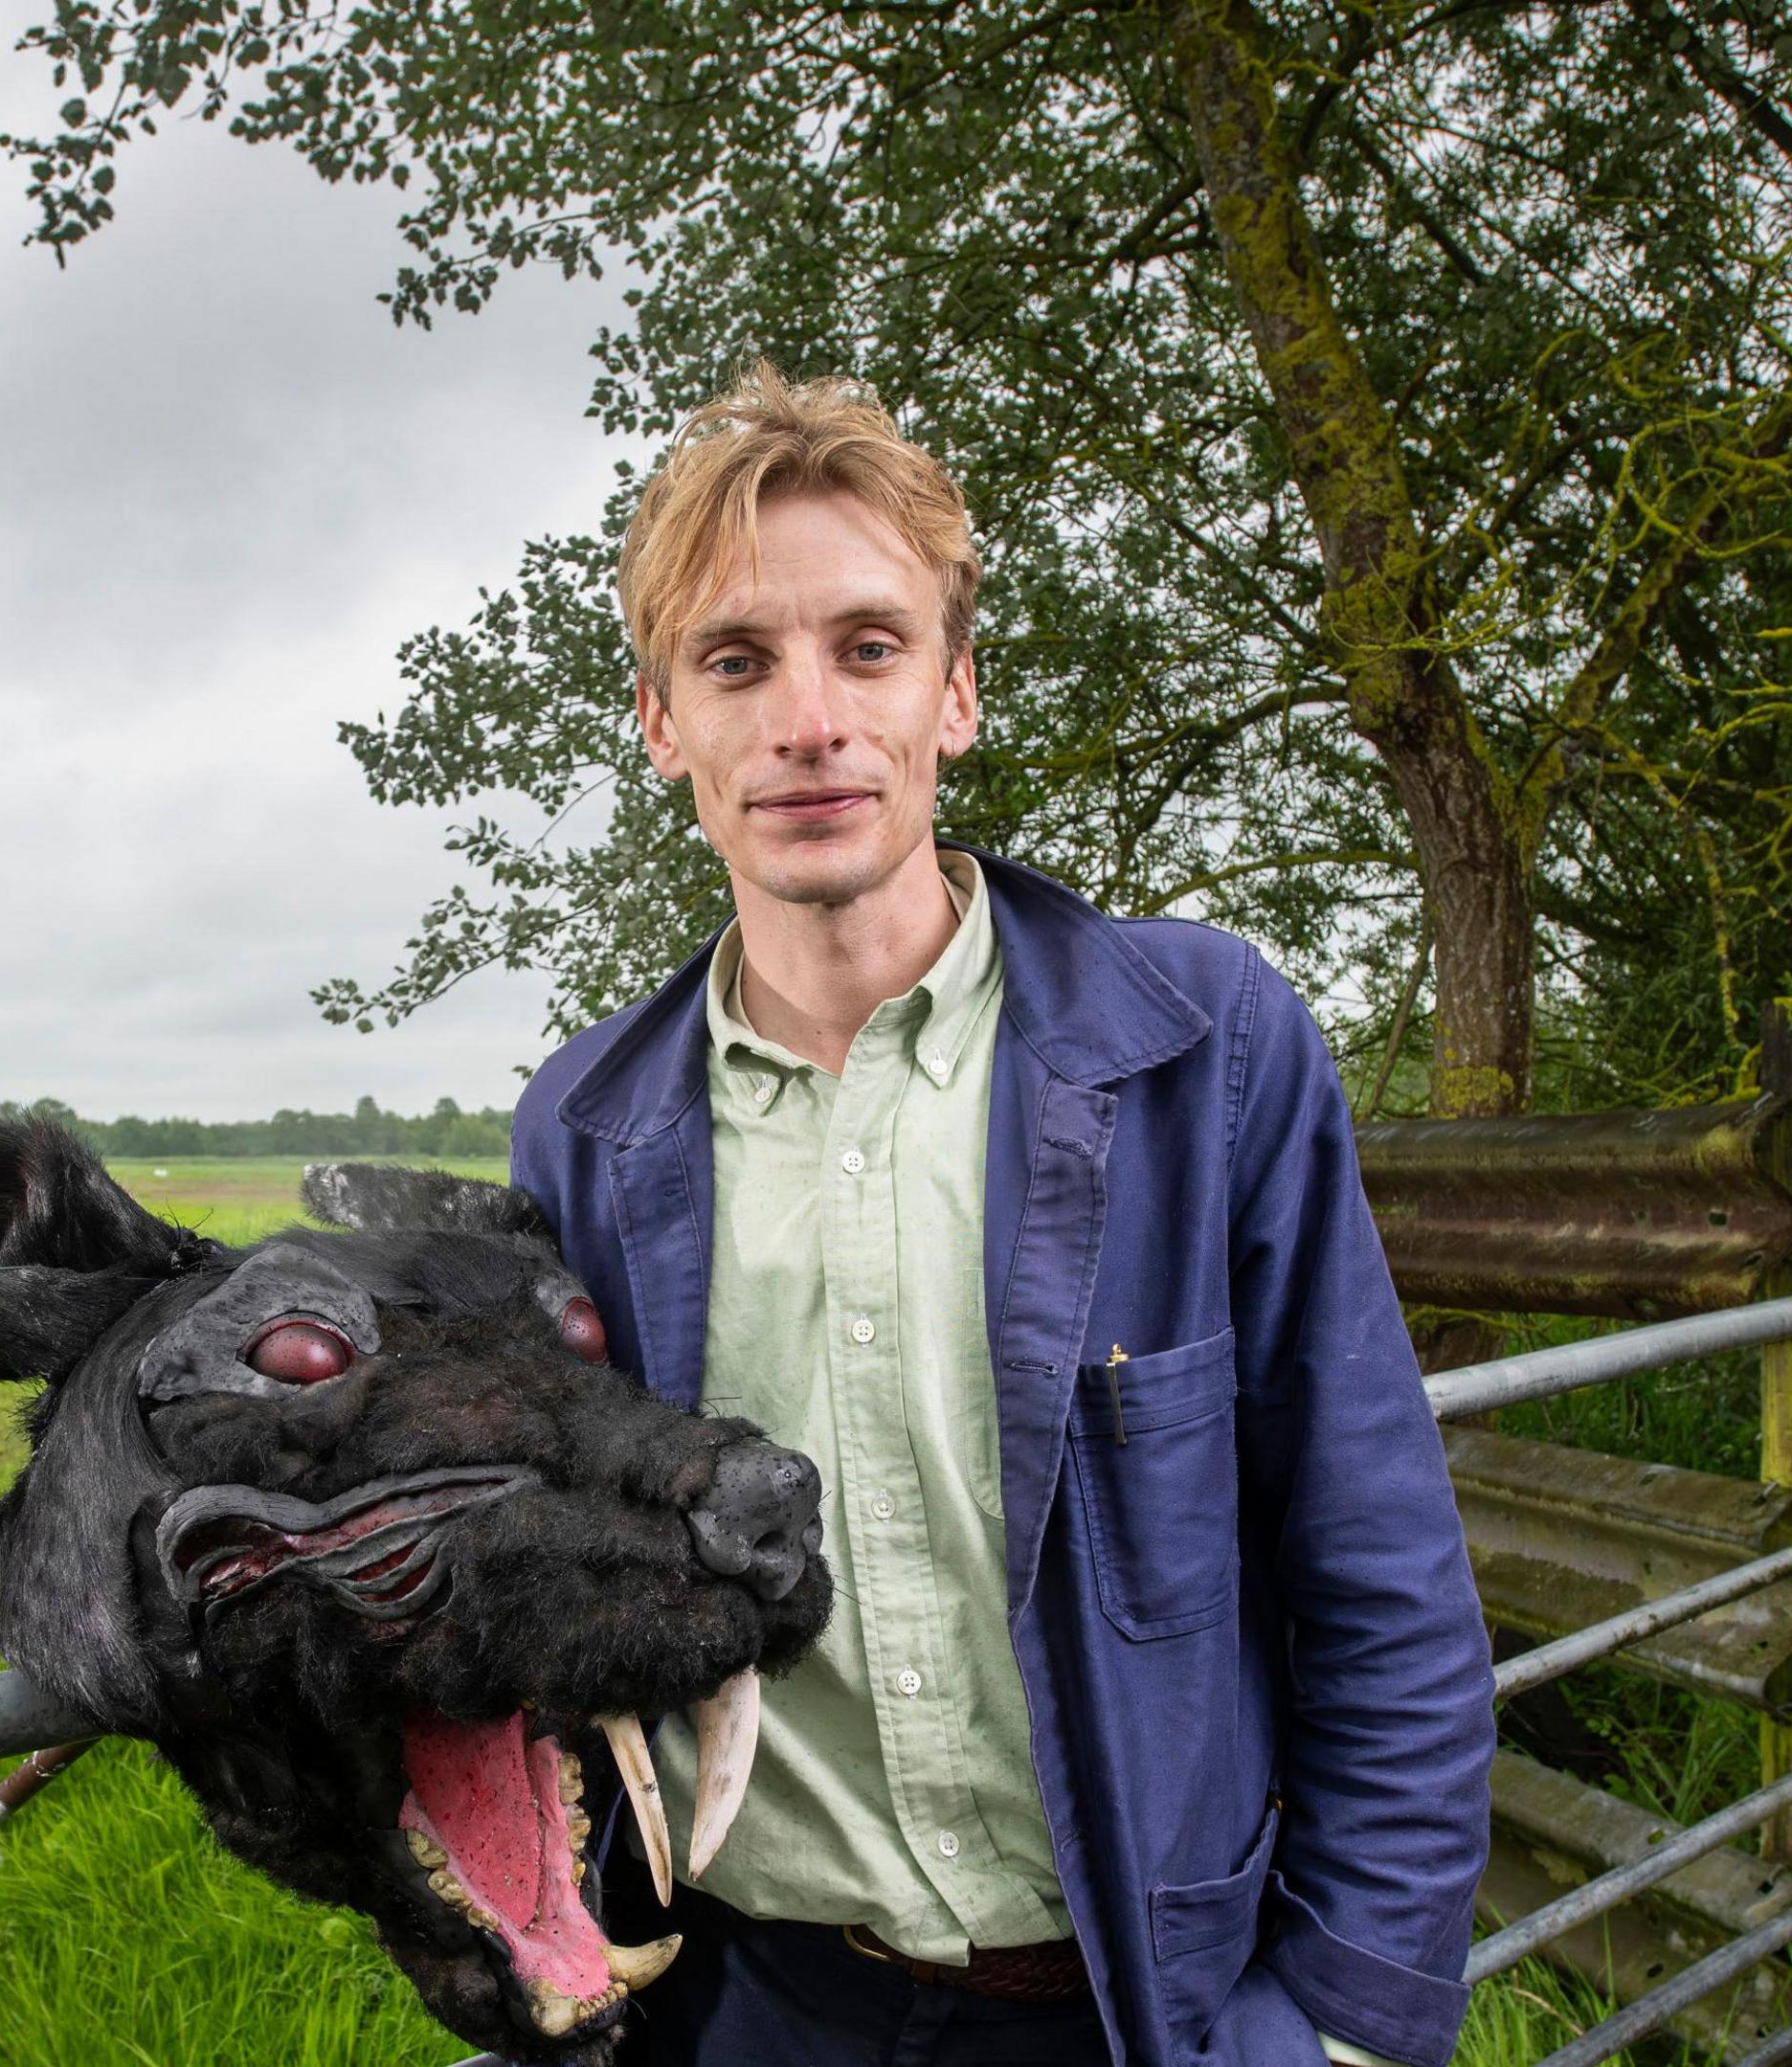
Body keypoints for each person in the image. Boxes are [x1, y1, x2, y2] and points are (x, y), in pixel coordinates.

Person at [508, 366, 1495, 2067]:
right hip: (752, 2007)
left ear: (955, 694)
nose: (809, 717)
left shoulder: (1204, 1047)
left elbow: (1378, 1559)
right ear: (665, 724)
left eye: (869, 647)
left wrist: (1341, 2024)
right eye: (736, 661)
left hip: (1136, 2007)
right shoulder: (587, 1131)